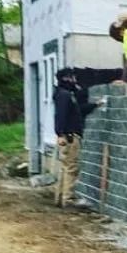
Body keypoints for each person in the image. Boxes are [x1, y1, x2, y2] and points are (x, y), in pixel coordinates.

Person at [52, 67, 98, 207]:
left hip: (68, 136)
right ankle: (69, 199)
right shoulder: (65, 95)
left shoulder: (65, 94)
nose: (75, 80)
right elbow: (60, 116)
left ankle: (60, 197)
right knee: (72, 167)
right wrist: (61, 134)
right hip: (70, 137)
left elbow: (78, 110)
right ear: (66, 78)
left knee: (66, 167)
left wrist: (95, 104)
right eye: (72, 78)